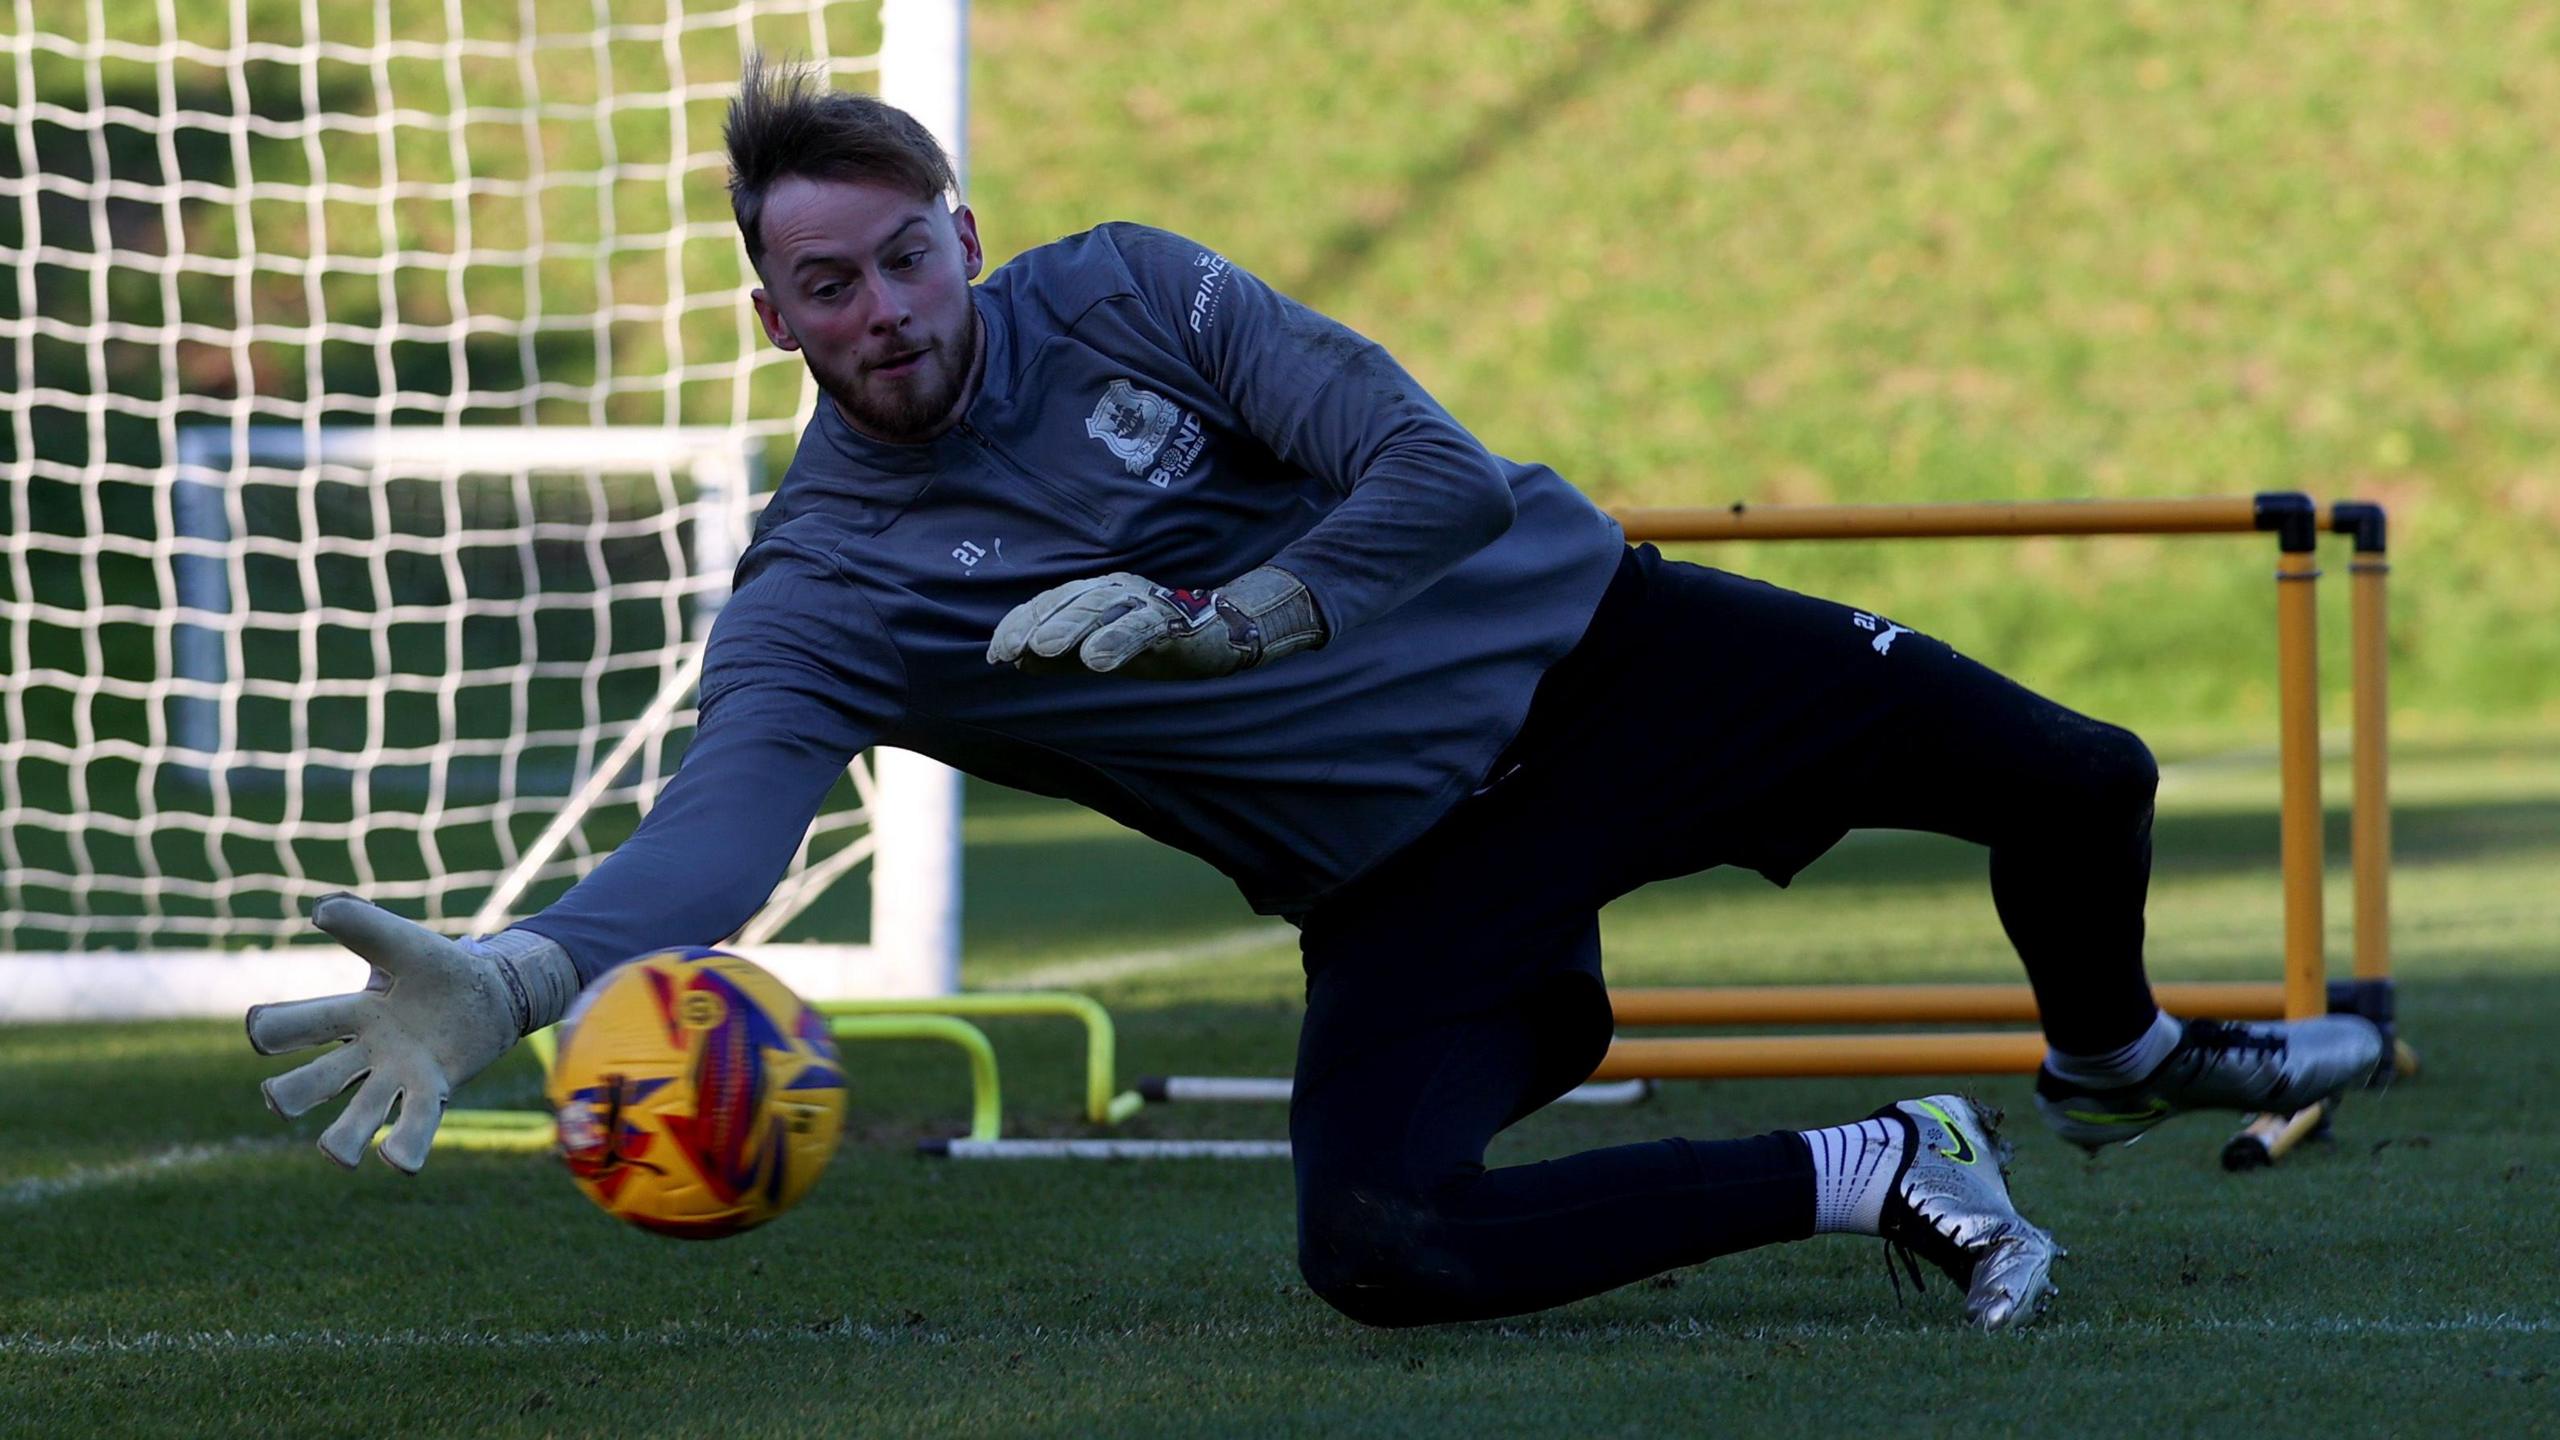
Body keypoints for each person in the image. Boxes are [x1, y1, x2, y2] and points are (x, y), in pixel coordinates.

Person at [245, 59, 2383, 1332]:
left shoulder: (1127, 291)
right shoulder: (828, 582)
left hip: (1613, 656)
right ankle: (1876, 1161)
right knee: (1377, 1247)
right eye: (828, 280)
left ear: (959, 233)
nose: (883, 308)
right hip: (1411, 873)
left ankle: (2103, 1056)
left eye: (906, 253)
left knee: (2080, 776)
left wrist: (1231, 614)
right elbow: (724, 828)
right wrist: (520, 975)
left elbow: (1429, 472)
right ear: (772, 304)